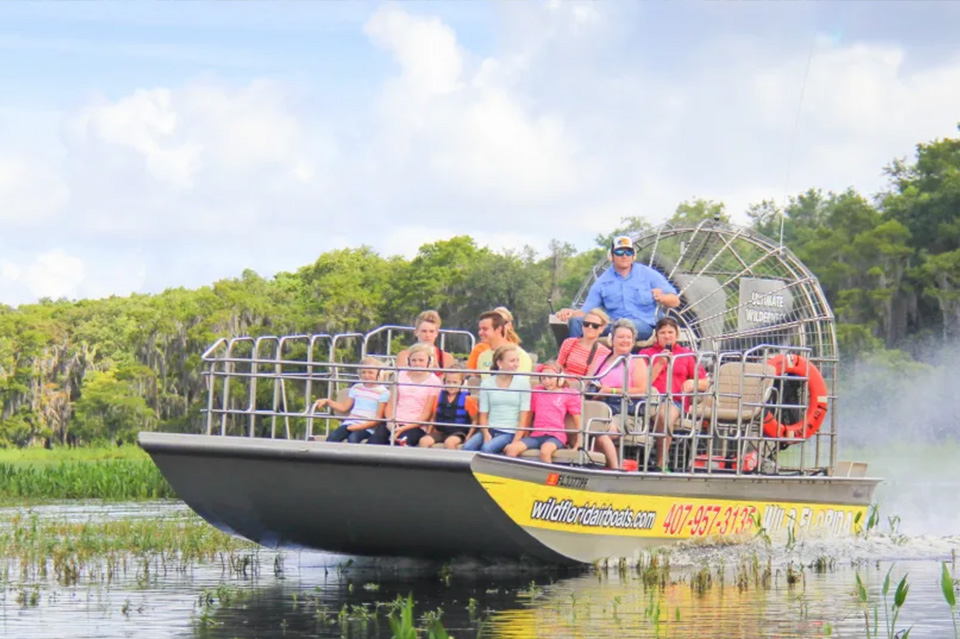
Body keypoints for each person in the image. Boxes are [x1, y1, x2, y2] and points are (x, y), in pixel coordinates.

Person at [556, 235, 680, 340]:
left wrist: (662, 298)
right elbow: (586, 311)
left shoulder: (648, 274)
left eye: (628, 252)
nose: (624, 256)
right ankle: (574, 360)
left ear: (633, 255)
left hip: (643, 325)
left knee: (624, 326)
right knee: (577, 322)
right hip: (612, 326)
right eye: (620, 252)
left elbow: (675, 301)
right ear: (612, 256)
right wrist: (569, 313)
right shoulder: (602, 282)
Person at [639, 317, 709, 471]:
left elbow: (705, 382)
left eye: (670, 332)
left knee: (663, 415)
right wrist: (659, 363)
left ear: (677, 335)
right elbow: (642, 382)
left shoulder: (686, 355)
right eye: (662, 332)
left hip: (674, 400)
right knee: (656, 412)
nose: (667, 336)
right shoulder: (646, 354)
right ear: (656, 335)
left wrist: (693, 383)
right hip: (649, 399)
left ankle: (660, 463)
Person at [589, 319, 650, 469]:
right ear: (612, 339)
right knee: (577, 425)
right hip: (600, 407)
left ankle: (614, 469)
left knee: (599, 431)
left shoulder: (637, 361)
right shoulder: (601, 360)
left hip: (625, 412)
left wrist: (612, 391)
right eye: (621, 337)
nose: (625, 340)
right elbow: (588, 383)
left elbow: (641, 390)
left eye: (628, 337)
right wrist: (595, 392)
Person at [504, 361, 580, 464]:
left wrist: (578, 444)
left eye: (550, 377)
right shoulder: (537, 391)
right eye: (543, 378)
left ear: (560, 378)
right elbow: (529, 415)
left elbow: (577, 421)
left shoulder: (569, 394)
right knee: (511, 449)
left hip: (556, 436)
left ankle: (548, 477)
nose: (546, 381)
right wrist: (524, 434)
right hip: (536, 434)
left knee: (545, 451)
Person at [463, 344, 531, 454]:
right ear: (499, 363)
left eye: (517, 361)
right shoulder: (487, 383)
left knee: (487, 449)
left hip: (509, 432)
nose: (516, 364)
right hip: (490, 428)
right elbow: (483, 414)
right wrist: (485, 433)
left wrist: (515, 441)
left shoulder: (523, 384)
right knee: (467, 448)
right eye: (512, 361)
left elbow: (523, 418)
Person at [313, 356, 390, 444]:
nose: (366, 375)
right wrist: (328, 402)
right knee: (332, 437)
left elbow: (377, 420)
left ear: (379, 374)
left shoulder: (383, 392)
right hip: (350, 422)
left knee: (353, 438)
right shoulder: (356, 388)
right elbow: (344, 407)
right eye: (363, 372)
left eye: (370, 372)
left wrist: (359, 427)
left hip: (367, 427)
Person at [388, 343, 443, 446]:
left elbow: (426, 415)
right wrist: (390, 422)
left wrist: (403, 428)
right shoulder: (400, 375)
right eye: (414, 360)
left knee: (400, 443)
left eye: (421, 360)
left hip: (416, 426)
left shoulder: (434, 382)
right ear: (409, 361)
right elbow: (391, 404)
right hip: (395, 421)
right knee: (375, 441)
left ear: (429, 361)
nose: (417, 363)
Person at [419, 363, 474, 449]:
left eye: (455, 382)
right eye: (448, 382)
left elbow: (475, 420)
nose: (451, 385)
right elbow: (433, 418)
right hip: (441, 431)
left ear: (462, 382)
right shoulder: (438, 398)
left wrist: (469, 436)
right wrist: (428, 433)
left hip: (458, 432)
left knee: (449, 443)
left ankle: (453, 462)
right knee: (424, 441)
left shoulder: (468, 400)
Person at [556, 308, 612, 377]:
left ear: (601, 329)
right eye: (586, 324)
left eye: (595, 326)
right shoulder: (569, 342)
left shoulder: (605, 353)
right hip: (562, 383)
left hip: (584, 386)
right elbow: (558, 366)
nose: (590, 327)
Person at [396, 310, 455, 376]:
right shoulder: (404, 355)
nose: (427, 335)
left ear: (436, 333)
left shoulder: (446, 357)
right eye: (424, 331)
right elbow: (401, 380)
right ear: (416, 332)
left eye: (431, 331)